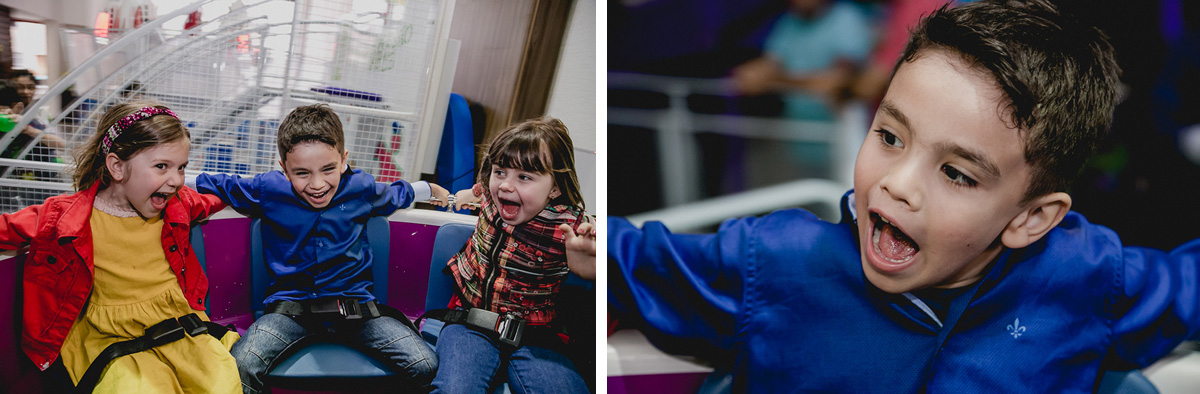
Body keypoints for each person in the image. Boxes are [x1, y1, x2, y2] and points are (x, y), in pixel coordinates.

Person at [606, 1, 1194, 392]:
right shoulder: (779, 260)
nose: (898, 183)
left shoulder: (1086, 276)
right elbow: (625, 259)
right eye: (889, 136)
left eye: (957, 173)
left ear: (1032, 218)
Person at [195, 103, 447, 393]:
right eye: (302, 173)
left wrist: (430, 189)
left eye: (328, 169)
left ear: (343, 160)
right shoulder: (269, 189)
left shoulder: (361, 188)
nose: (317, 184)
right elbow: (218, 184)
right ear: (284, 170)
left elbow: (397, 194)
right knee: (238, 366)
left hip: (356, 311)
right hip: (290, 310)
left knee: (426, 364)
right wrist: (168, 180)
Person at [0, 102, 240, 393]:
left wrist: (273, 190)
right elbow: (8, 228)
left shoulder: (180, 203)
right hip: (110, 336)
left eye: (181, 167)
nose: (176, 180)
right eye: (161, 166)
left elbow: (220, 198)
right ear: (117, 167)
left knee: (222, 383)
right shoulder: (64, 217)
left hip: (179, 325)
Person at [430, 116, 595, 393]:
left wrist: (591, 270)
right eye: (500, 172)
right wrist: (454, 198)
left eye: (525, 177)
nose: (506, 185)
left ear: (555, 187)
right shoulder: (491, 196)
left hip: (536, 335)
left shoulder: (570, 227)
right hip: (471, 321)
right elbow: (477, 190)